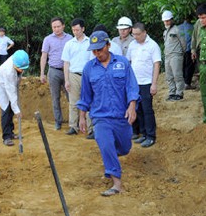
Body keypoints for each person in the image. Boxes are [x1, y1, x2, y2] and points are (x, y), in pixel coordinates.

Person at [77, 31, 139, 196]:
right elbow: (85, 96)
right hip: (100, 117)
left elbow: (132, 87)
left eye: (100, 49)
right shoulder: (89, 69)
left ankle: (111, 154)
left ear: (108, 45)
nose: (97, 53)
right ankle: (116, 183)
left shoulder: (123, 63)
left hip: (121, 116)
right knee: (105, 143)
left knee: (125, 148)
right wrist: (82, 117)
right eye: (94, 51)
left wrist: (132, 106)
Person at [127, 22, 161, 147]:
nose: (135, 36)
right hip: (135, 83)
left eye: (138, 34)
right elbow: (129, 62)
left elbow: (156, 65)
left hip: (146, 83)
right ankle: (143, 133)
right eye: (133, 34)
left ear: (144, 33)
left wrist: (154, 84)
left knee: (147, 110)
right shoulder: (132, 45)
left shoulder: (153, 46)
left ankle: (151, 136)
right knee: (138, 109)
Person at [40, 17, 73, 130]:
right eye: (54, 27)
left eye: (58, 26)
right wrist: (42, 73)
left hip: (68, 71)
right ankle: (58, 121)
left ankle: (74, 122)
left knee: (71, 97)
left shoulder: (70, 38)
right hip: (53, 70)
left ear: (63, 26)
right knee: (55, 97)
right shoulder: (47, 39)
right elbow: (44, 56)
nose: (56, 29)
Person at [0, 50, 30, 146]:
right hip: (0, 86)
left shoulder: (19, 59)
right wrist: (17, 110)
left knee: (11, 111)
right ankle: (6, 137)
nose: (22, 71)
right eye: (20, 69)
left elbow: (16, 79)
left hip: (10, 85)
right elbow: (11, 92)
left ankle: (11, 133)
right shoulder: (8, 71)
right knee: (6, 110)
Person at [61, 18, 92, 137]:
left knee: (88, 101)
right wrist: (67, 79)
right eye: (73, 30)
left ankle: (90, 128)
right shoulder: (69, 44)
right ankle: (73, 126)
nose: (75, 32)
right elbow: (66, 63)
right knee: (73, 102)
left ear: (83, 29)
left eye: (77, 30)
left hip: (87, 75)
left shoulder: (90, 42)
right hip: (73, 75)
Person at [162, 10, 187, 101]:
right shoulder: (165, 32)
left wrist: (180, 53)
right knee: (169, 76)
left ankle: (179, 93)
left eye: (168, 20)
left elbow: (183, 43)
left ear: (172, 20)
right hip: (167, 56)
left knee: (177, 75)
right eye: (165, 21)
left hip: (176, 55)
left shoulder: (177, 29)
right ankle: (172, 92)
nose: (166, 22)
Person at [178, 17, 195, 89]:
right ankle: (187, 83)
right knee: (189, 67)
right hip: (189, 50)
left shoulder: (178, 28)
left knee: (182, 66)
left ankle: (182, 82)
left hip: (180, 51)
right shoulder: (193, 27)